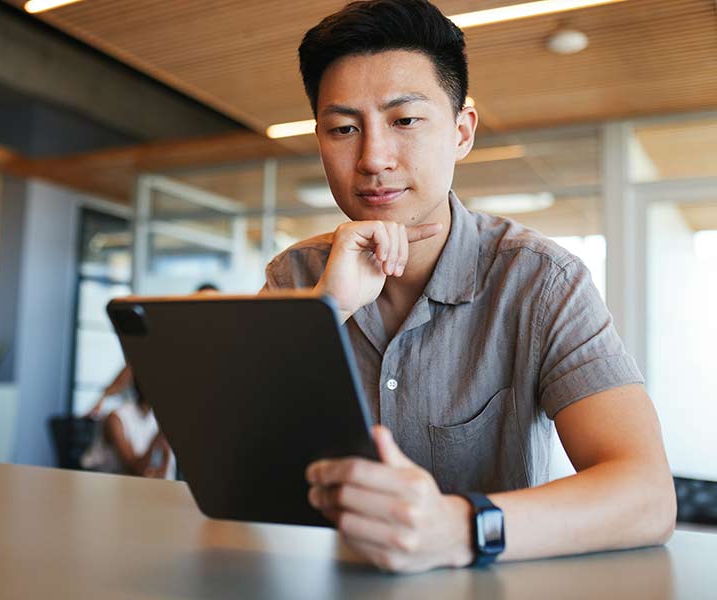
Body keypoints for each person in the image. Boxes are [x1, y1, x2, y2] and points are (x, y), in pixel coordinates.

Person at [263, 0, 675, 573]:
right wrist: (324, 312)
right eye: (343, 129)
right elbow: (232, 463)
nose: (373, 157)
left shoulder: (540, 281)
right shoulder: (297, 277)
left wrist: (458, 528)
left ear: (461, 132)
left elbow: (647, 497)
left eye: (404, 121)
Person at [82, 366, 176, 480]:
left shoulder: (153, 419)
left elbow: (164, 474)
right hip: (102, 483)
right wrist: (157, 438)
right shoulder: (116, 419)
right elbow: (136, 470)